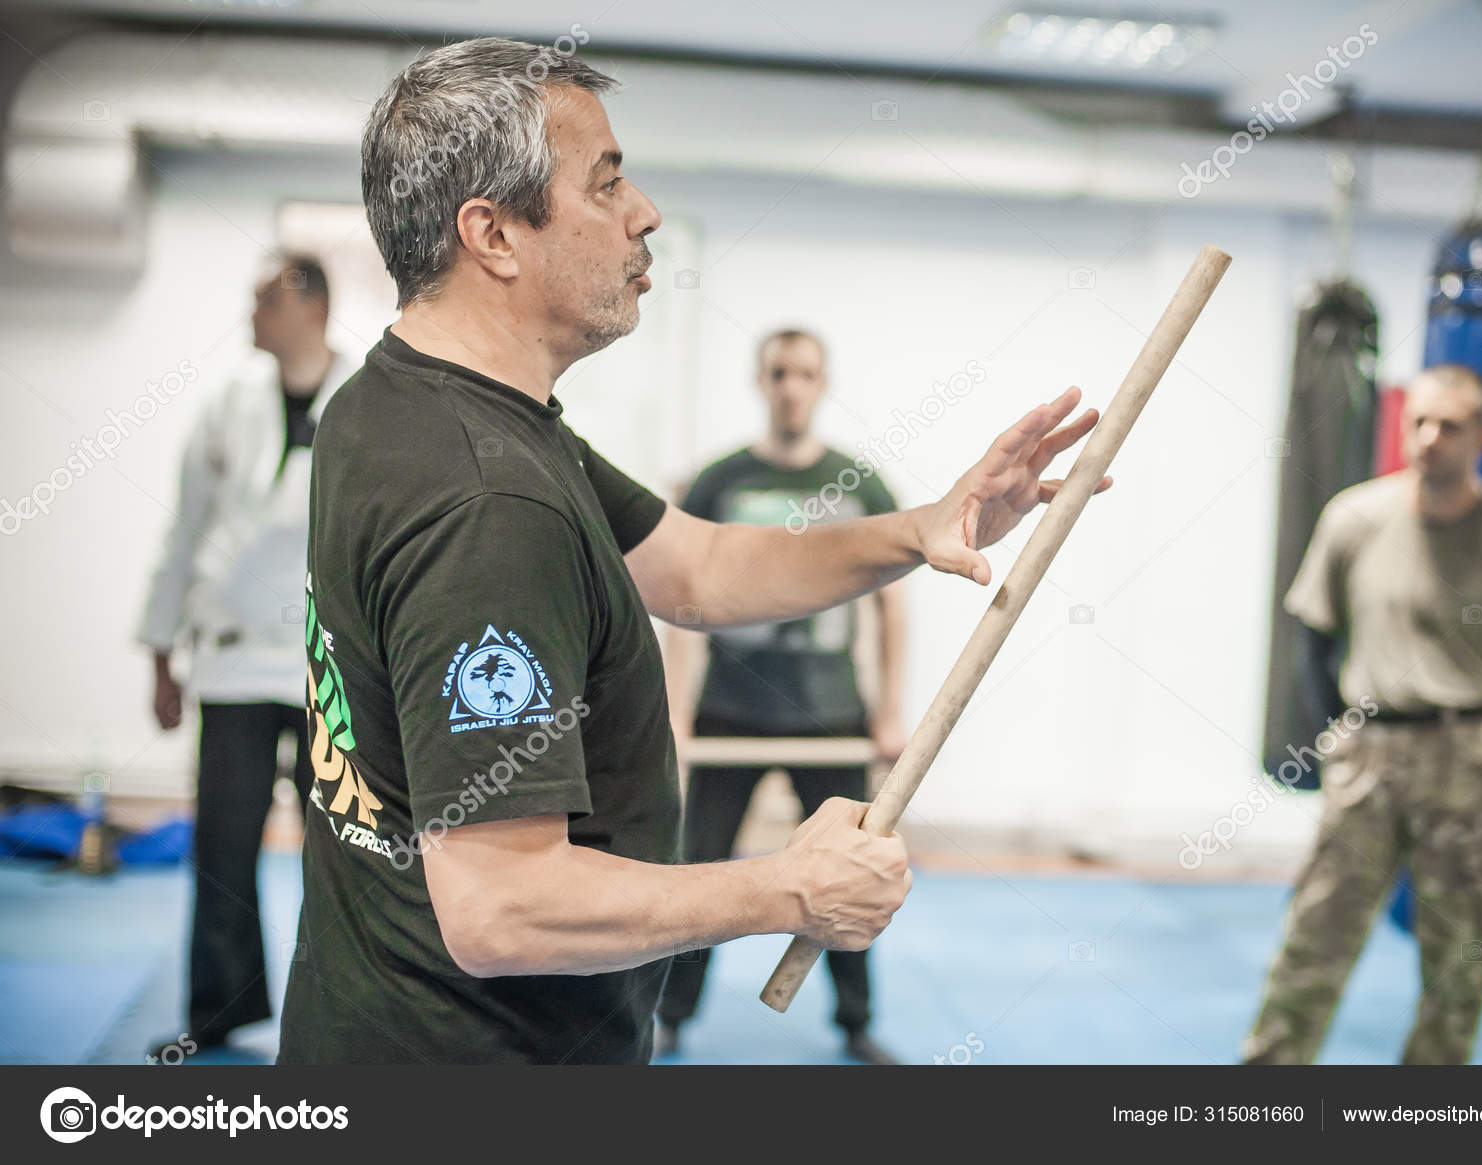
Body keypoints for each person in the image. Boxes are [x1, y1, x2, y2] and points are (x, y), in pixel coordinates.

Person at [277, 37, 1107, 1065]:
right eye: (607, 181)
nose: (645, 213)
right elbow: (500, 906)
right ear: (492, 234)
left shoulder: (396, 398)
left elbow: (697, 569)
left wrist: (922, 525)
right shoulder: (486, 500)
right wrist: (784, 887)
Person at [1244, 363, 1482, 1065]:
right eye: (1418, 420)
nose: (1428, 438)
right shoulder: (1354, 518)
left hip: (1468, 767)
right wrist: (1341, 722)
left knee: (1459, 956)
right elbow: (1311, 635)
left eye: (1449, 425)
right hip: (1368, 756)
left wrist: (1481, 730)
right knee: (1316, 933)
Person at [655, 329, 906, 1064]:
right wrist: (674, 707)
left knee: (854, 869)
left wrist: (890, 707)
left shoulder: (859, 482)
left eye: (805, 373)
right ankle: (671, 1014)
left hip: (830, 715)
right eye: (779, 373)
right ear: (760, 381)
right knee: (698, 864)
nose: (791, 386)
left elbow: (892, 604)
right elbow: (682, 601)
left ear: (822, 382)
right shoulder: (718, 481)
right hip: (731, 712)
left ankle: (856, 1022)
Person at [138, 253, 353, 1057]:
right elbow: (184, 533)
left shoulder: (366, 400)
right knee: (223, 846)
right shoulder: (227, 406)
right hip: (229, 661)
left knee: (340, 849)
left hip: (324, 664)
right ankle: (220, 1010)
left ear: (310, 303)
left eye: (264, 299)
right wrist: (160, 654)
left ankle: (339, 1014)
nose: (251, 313)